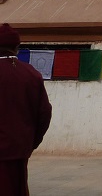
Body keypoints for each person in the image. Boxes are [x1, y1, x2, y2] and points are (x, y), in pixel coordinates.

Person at [0, 22, 52, 196]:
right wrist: (30, 142)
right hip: (19, 149)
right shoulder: (31, 74)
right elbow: (44, 113)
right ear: (16, 47)